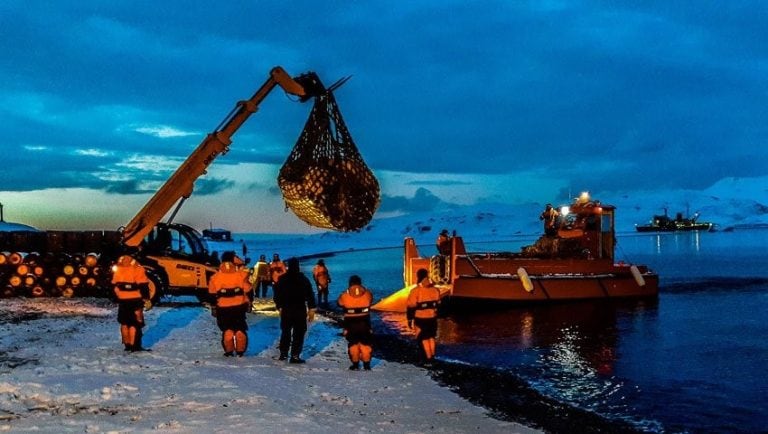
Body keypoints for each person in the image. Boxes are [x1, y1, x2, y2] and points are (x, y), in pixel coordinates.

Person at [273, 257, 317, 364]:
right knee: (299, 332)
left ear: (288, 266)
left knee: (286, 332)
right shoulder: (303, 279)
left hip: (286, 309)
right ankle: (295, 355)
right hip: (299, 309)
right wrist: (311, 309)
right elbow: (310, 295)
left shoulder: (282, 279)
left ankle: (283, 353)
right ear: (298, 266)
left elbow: (277, 295)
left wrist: (279, 306)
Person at [208, 252, 252, 357]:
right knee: (240, 328)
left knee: (227, 329)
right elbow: (249, 290)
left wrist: (213, 307)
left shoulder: (215, 277)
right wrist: (249, 303)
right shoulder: (241, 275)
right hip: (239, 307)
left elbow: (211, 294)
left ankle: (229, 350)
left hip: (223, 308)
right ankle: (240, 350)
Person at [111, 254, 151, 352]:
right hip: (135, 300)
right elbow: (143, 285)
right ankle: (135, 346)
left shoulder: (118, 267)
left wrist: (117, 296)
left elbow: (113, 284)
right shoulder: (138, 268)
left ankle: (127, 345)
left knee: (124, 322)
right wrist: (147, 299)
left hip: (122, 300)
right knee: (135, 323)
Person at [337, 275, 374, 370]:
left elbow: (339, 303)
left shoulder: (345, 294)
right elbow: (371, 301)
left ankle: (355, 364)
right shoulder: (367, 293)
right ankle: (366, 364)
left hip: (350, 323)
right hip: (365, 322)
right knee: (365, 344)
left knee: (353, 344)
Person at [406, 268, 441, 366]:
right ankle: (433, 357)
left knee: (423, 338)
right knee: (431, 337)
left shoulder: (415, 291)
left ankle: (428, 359)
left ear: (418, 276)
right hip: (432, 318)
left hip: (420, 318)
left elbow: (411, 306)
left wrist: (409, 319)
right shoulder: (435, 290)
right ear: (427, 276)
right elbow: (438, 303)